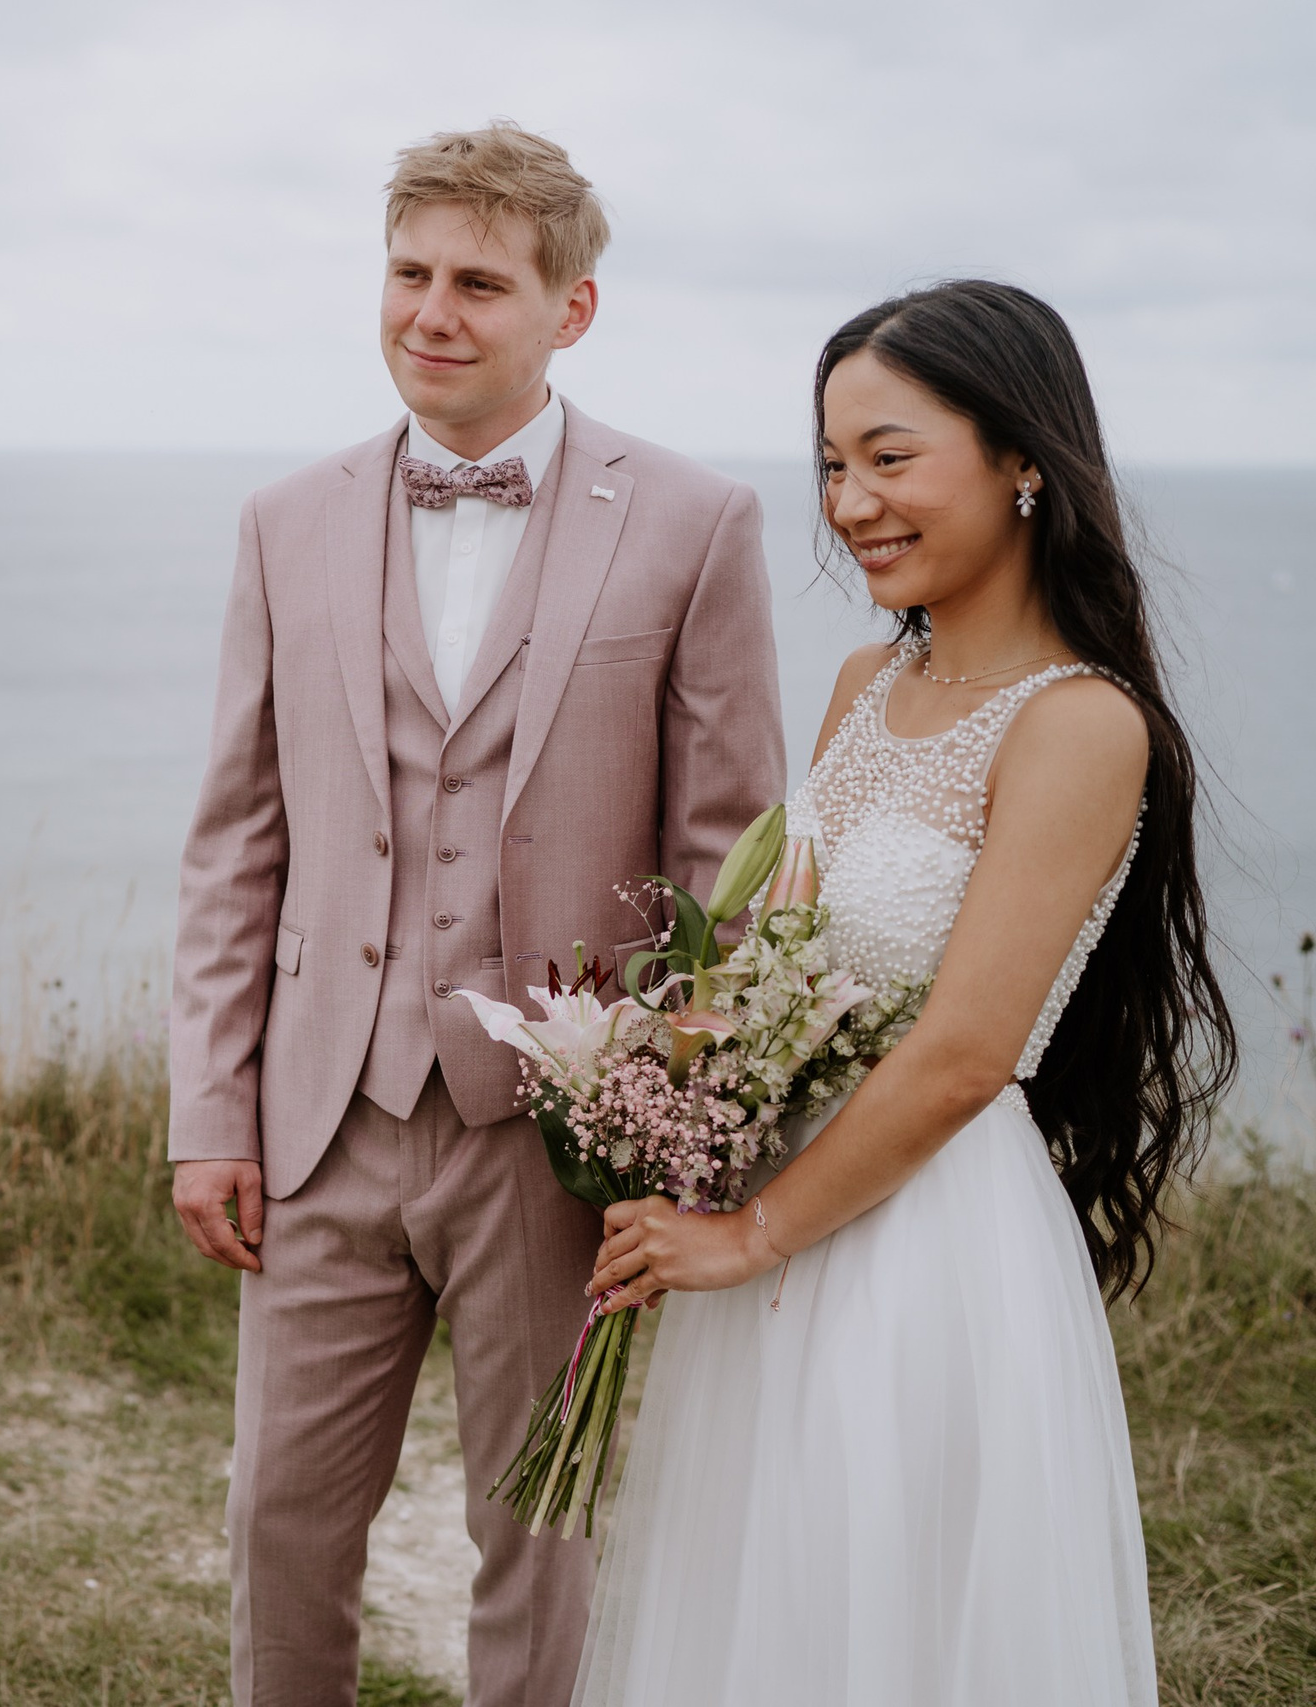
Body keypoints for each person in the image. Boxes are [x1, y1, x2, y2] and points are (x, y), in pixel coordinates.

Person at [166, 123, 786, 1707]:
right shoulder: (281, 521)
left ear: (569, 309)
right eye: (408, 273)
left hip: (552, 1135)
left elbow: (733, 862)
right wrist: (206, 1112)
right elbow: (237, 841)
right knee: (282, 1517)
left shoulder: (694, 523)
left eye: (479, 284)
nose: (431, 311)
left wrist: (671, 1128)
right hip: (321, 1116)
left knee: (544, 1534)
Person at [572, 280, 1237, 1706]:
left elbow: (964, 1055)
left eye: (889, 455)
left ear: (1023, 462)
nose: (851, 501)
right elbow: (783, 959)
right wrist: (667, 1065)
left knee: (894, 1619)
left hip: (922, 1240)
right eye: (830, 464)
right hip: (788, 1196)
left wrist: (752, 1235)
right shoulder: (866, 681)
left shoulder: (1080, 723)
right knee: (771, 1609)